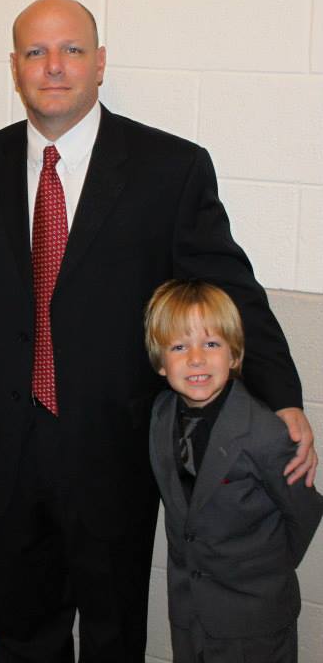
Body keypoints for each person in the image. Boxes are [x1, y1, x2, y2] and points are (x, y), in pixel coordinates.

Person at [0, 0, 317, 663]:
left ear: (99, 63)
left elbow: (231, 288)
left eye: (71, 50)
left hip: (115, 447)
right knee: (20, 629)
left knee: (114, 631)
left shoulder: (169, 168)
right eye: (35, 51)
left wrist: (282, 395)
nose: (53, 66)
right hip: (10, 440)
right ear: (15, 67)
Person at [145, 279, 323, 663]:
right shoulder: (159, 417)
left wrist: (264, 571)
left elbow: (304, 510)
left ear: (234, 355)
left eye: (211, 344)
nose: (196, 358)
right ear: (160, 363)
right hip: (188, 613)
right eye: (179, 347)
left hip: (255, 620)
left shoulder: (266, 433)